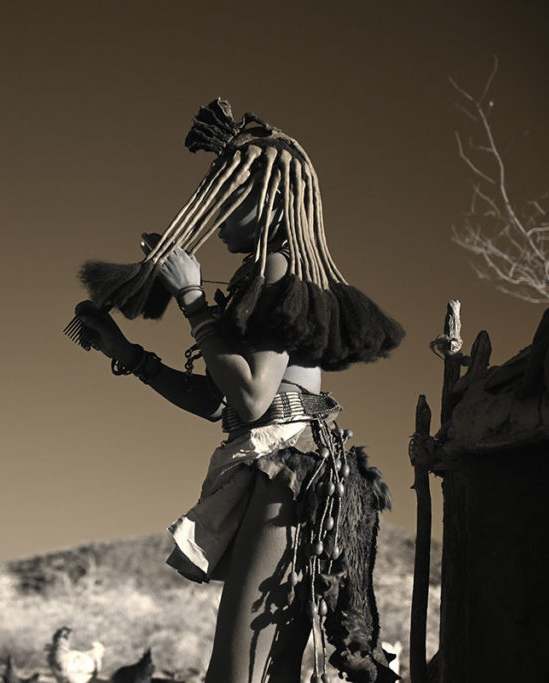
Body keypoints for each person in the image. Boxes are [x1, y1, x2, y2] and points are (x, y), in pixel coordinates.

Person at [72, 100, 401, 683]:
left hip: (292, 470)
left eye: (228, 197)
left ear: (267, 203)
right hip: (275, 461)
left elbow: (250, 399)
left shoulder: (280, 270)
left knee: (239, 669)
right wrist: (126, 354)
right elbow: (219, 402)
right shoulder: (258, 275)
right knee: (254, 665)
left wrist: (192, 299)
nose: (214, 210)